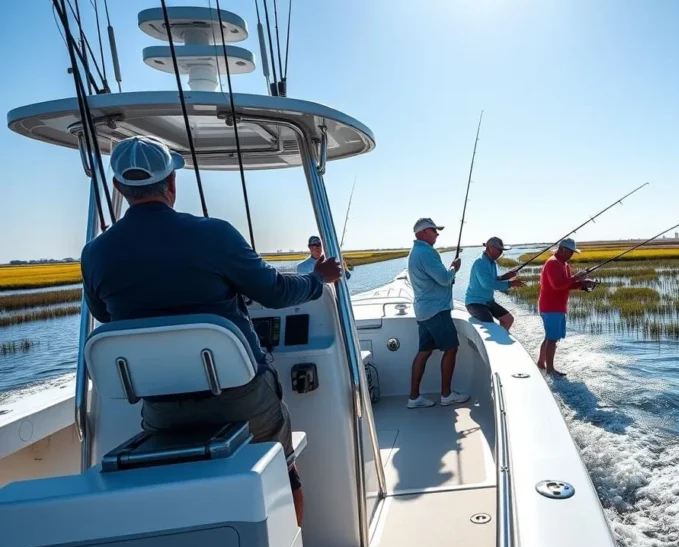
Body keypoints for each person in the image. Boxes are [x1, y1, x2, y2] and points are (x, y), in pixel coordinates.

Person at [80, 136, 343, 526]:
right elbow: (273, 291)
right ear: (172, 184)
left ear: (119, 187)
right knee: (283, 476)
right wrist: (316, 278)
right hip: (243, 402)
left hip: (162, 411)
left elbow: (104, 314)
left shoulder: (96, 253)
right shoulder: (214, 235)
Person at [406, 217, 467, 408]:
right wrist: (454, 268)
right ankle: (446, 395)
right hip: (436, 311)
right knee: (451, 348)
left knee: (424, 352)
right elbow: (443, 278)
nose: (437, 234)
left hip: (423, 311)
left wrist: (448, 274)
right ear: (423, 232)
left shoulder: (416, 252)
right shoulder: (427, 253)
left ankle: (414, 397)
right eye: (434, 230)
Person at [536, 238, 595, 376]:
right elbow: (557, 285)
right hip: (551, 307)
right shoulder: (552, 263)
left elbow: (566, 284)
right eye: (570, 252)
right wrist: (576, 278)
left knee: (550, 337)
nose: (572, 255)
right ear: (562, 249)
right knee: (552, 339)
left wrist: (583, 283)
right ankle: (550, 370)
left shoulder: (564, 264)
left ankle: (541, 362)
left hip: (558, 307)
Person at [465, 236, 524, 330]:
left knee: (508, 319)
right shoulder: (480, 262)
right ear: (489, 248)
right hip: (475, 303)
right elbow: (487, 284)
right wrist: (510, 284)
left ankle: (502, 339)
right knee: (490, 326)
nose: (501, 253)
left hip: (489, 301)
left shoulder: (492, 262)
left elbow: (492, 279)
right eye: (499, 250)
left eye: (502, 250)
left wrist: (505, 276)